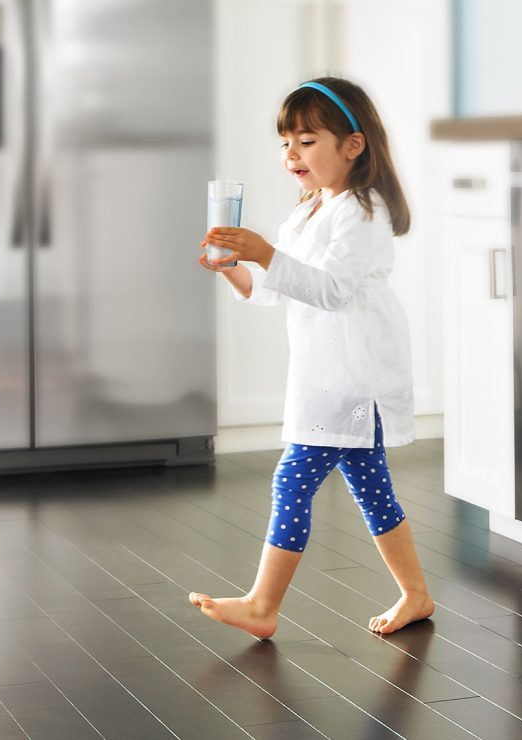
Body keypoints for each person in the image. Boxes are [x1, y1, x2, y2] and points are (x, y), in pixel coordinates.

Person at [188, 77, 434, 638]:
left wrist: (266, 253)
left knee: (291, 481)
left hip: (354, 377)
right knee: (372, 486)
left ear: (353, 145)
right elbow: (274, 290)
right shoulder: (306, 213)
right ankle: (416, 594)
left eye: (305, 141)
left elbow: (332, 290)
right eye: (285, 143)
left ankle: (261, 605)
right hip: (326, 374)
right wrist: (235, 268)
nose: (291, 154)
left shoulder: (362, 212)